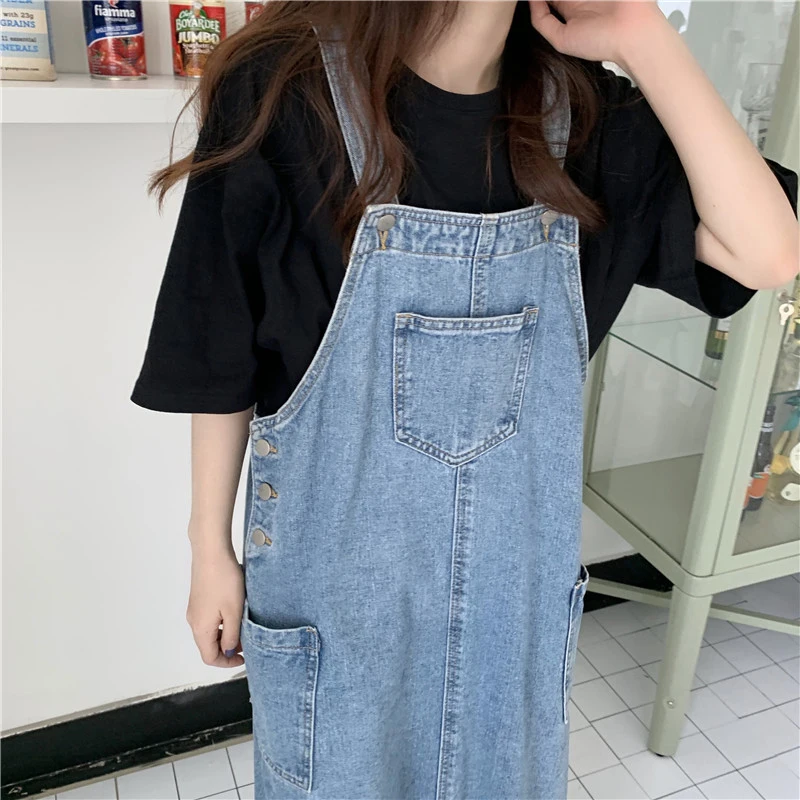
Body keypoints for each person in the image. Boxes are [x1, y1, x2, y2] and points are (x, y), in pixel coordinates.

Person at [131, 1, 799, 797]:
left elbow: (767, 253)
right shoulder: (284, 88)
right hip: (338, 601)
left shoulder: (590, 119)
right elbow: (218, 350)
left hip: (510, 608)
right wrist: (209, 547)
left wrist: (642, 35)